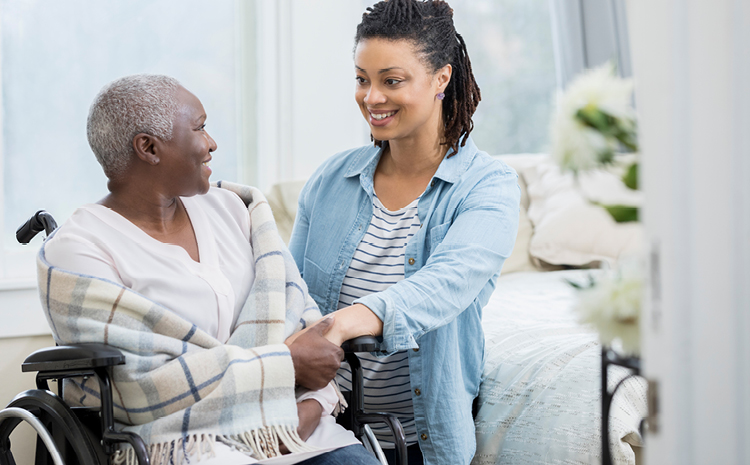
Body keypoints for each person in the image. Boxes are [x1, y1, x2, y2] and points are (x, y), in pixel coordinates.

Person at [39, 74, 380, 465]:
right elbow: (137, 386)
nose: (212, 142)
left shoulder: (234, 209)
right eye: (200, 127)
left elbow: (302, 319)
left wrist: (306, 412)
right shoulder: (79, 249)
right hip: (186, 444)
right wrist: (284, 363)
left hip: (297, 424)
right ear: (148, 148)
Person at [288, 1, 521, 464]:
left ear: (441, 79)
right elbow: (289, 293)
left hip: (417, 442)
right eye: (362, 79)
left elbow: (443, 286)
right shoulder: (331, 180)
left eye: (391, 81)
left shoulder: (488, 187)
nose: (372, 97)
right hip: (318, 428)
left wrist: (341, 324)